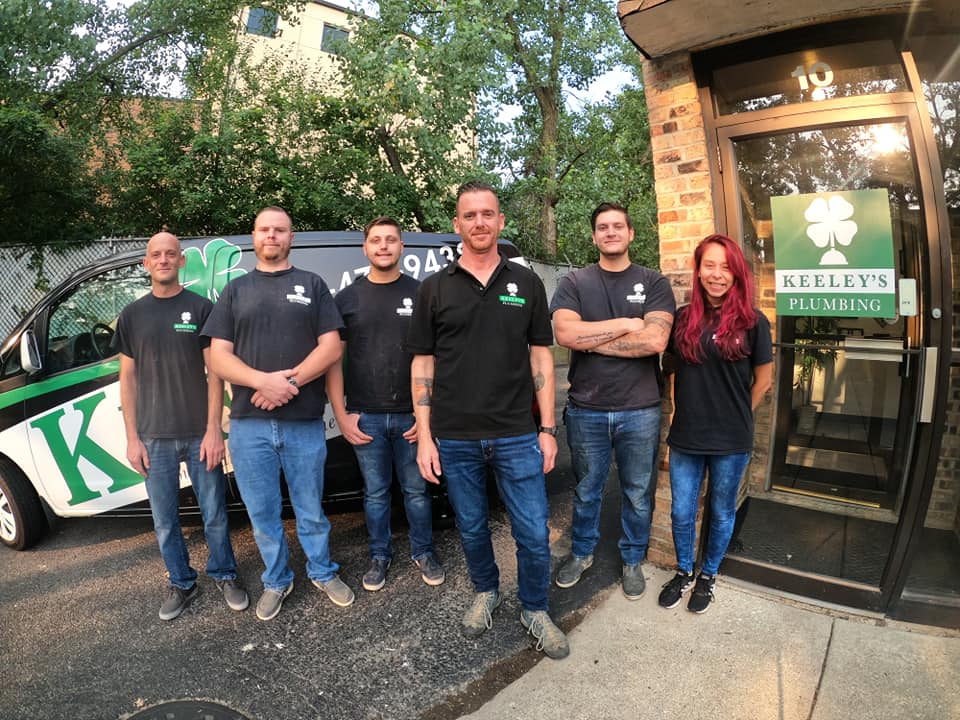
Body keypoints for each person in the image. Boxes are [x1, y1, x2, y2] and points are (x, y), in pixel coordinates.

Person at [406, 180, 569, 660]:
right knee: (472, 527)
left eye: (487, 214)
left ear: (500, 221)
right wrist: (425, 437)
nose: (479, 222)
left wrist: (547, 429)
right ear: (457, 224)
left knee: (533, 533)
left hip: (517, 434)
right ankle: (486, 591)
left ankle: (535, 608)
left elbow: (541, 357)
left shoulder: (526, 283)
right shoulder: (434, 288)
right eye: (469, 215)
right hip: (455, 437)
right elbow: (422, 364)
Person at [203, 206, 355, 621]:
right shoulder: (234, 291)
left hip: (304, 423)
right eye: (264, 229)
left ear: (291, 237)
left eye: (280, 230)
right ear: (254, 237)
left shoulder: (312, 284)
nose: (272, 236)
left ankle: (323, 571)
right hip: (248, 427)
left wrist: (288, 383)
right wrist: (261, 382)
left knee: (311, 509)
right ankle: (277, 580)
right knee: (263, 514)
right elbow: (218, 357)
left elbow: (332, 347)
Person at [113, 231, 248, 621]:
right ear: (146, 263)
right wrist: (132, 438)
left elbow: (216, 372)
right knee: (165, 521)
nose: (163, 260)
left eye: (171, 254)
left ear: (181, 260)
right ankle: (182, 582)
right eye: (156, 254)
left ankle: (225, 574)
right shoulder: (132, 315)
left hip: (198, 433)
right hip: (152, 437)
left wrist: (213, 429)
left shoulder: (201, 308)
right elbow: (127, 379)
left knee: (214, 513)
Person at [550, 202, 676, 600]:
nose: (610, 232)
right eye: (602, 227)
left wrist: (590, 339)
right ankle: (582, 552)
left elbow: (655, 341)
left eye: (617, 226)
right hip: (586, 409)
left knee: (637, 492)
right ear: (594, 237)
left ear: (630, 233)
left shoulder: (654, 283)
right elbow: (565, 335)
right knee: (586, 490)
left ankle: (632, 559)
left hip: (640, 409)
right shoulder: (575, 282)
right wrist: (624, 324)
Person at [326, 216, 444, 592]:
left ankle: (423, 552)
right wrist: (342, 415)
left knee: (417, 491)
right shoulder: (347, 299)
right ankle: (380, 555)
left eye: (390, 240)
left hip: (412, 416)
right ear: (365, 248)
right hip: (366, 418)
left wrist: (427, 417)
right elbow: (333, 361)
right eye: (376, 240)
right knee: (375, 494)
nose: (383, 246)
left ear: (401, 246)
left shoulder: (421, 293)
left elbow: (433, 359)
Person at [658, 234, 773, 613]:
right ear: (699, 270)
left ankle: (708, 576)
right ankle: (684, 571)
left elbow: (764, 381)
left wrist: (738, 413)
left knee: (722, 512)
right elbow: (674, 371)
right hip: (687, 435)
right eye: (709, 265)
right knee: (681, 511)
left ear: (736, 274)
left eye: (726, 267)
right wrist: (678, 411)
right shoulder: (683, 318)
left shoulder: (754, 322)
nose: (717, 274)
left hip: (731, 438)